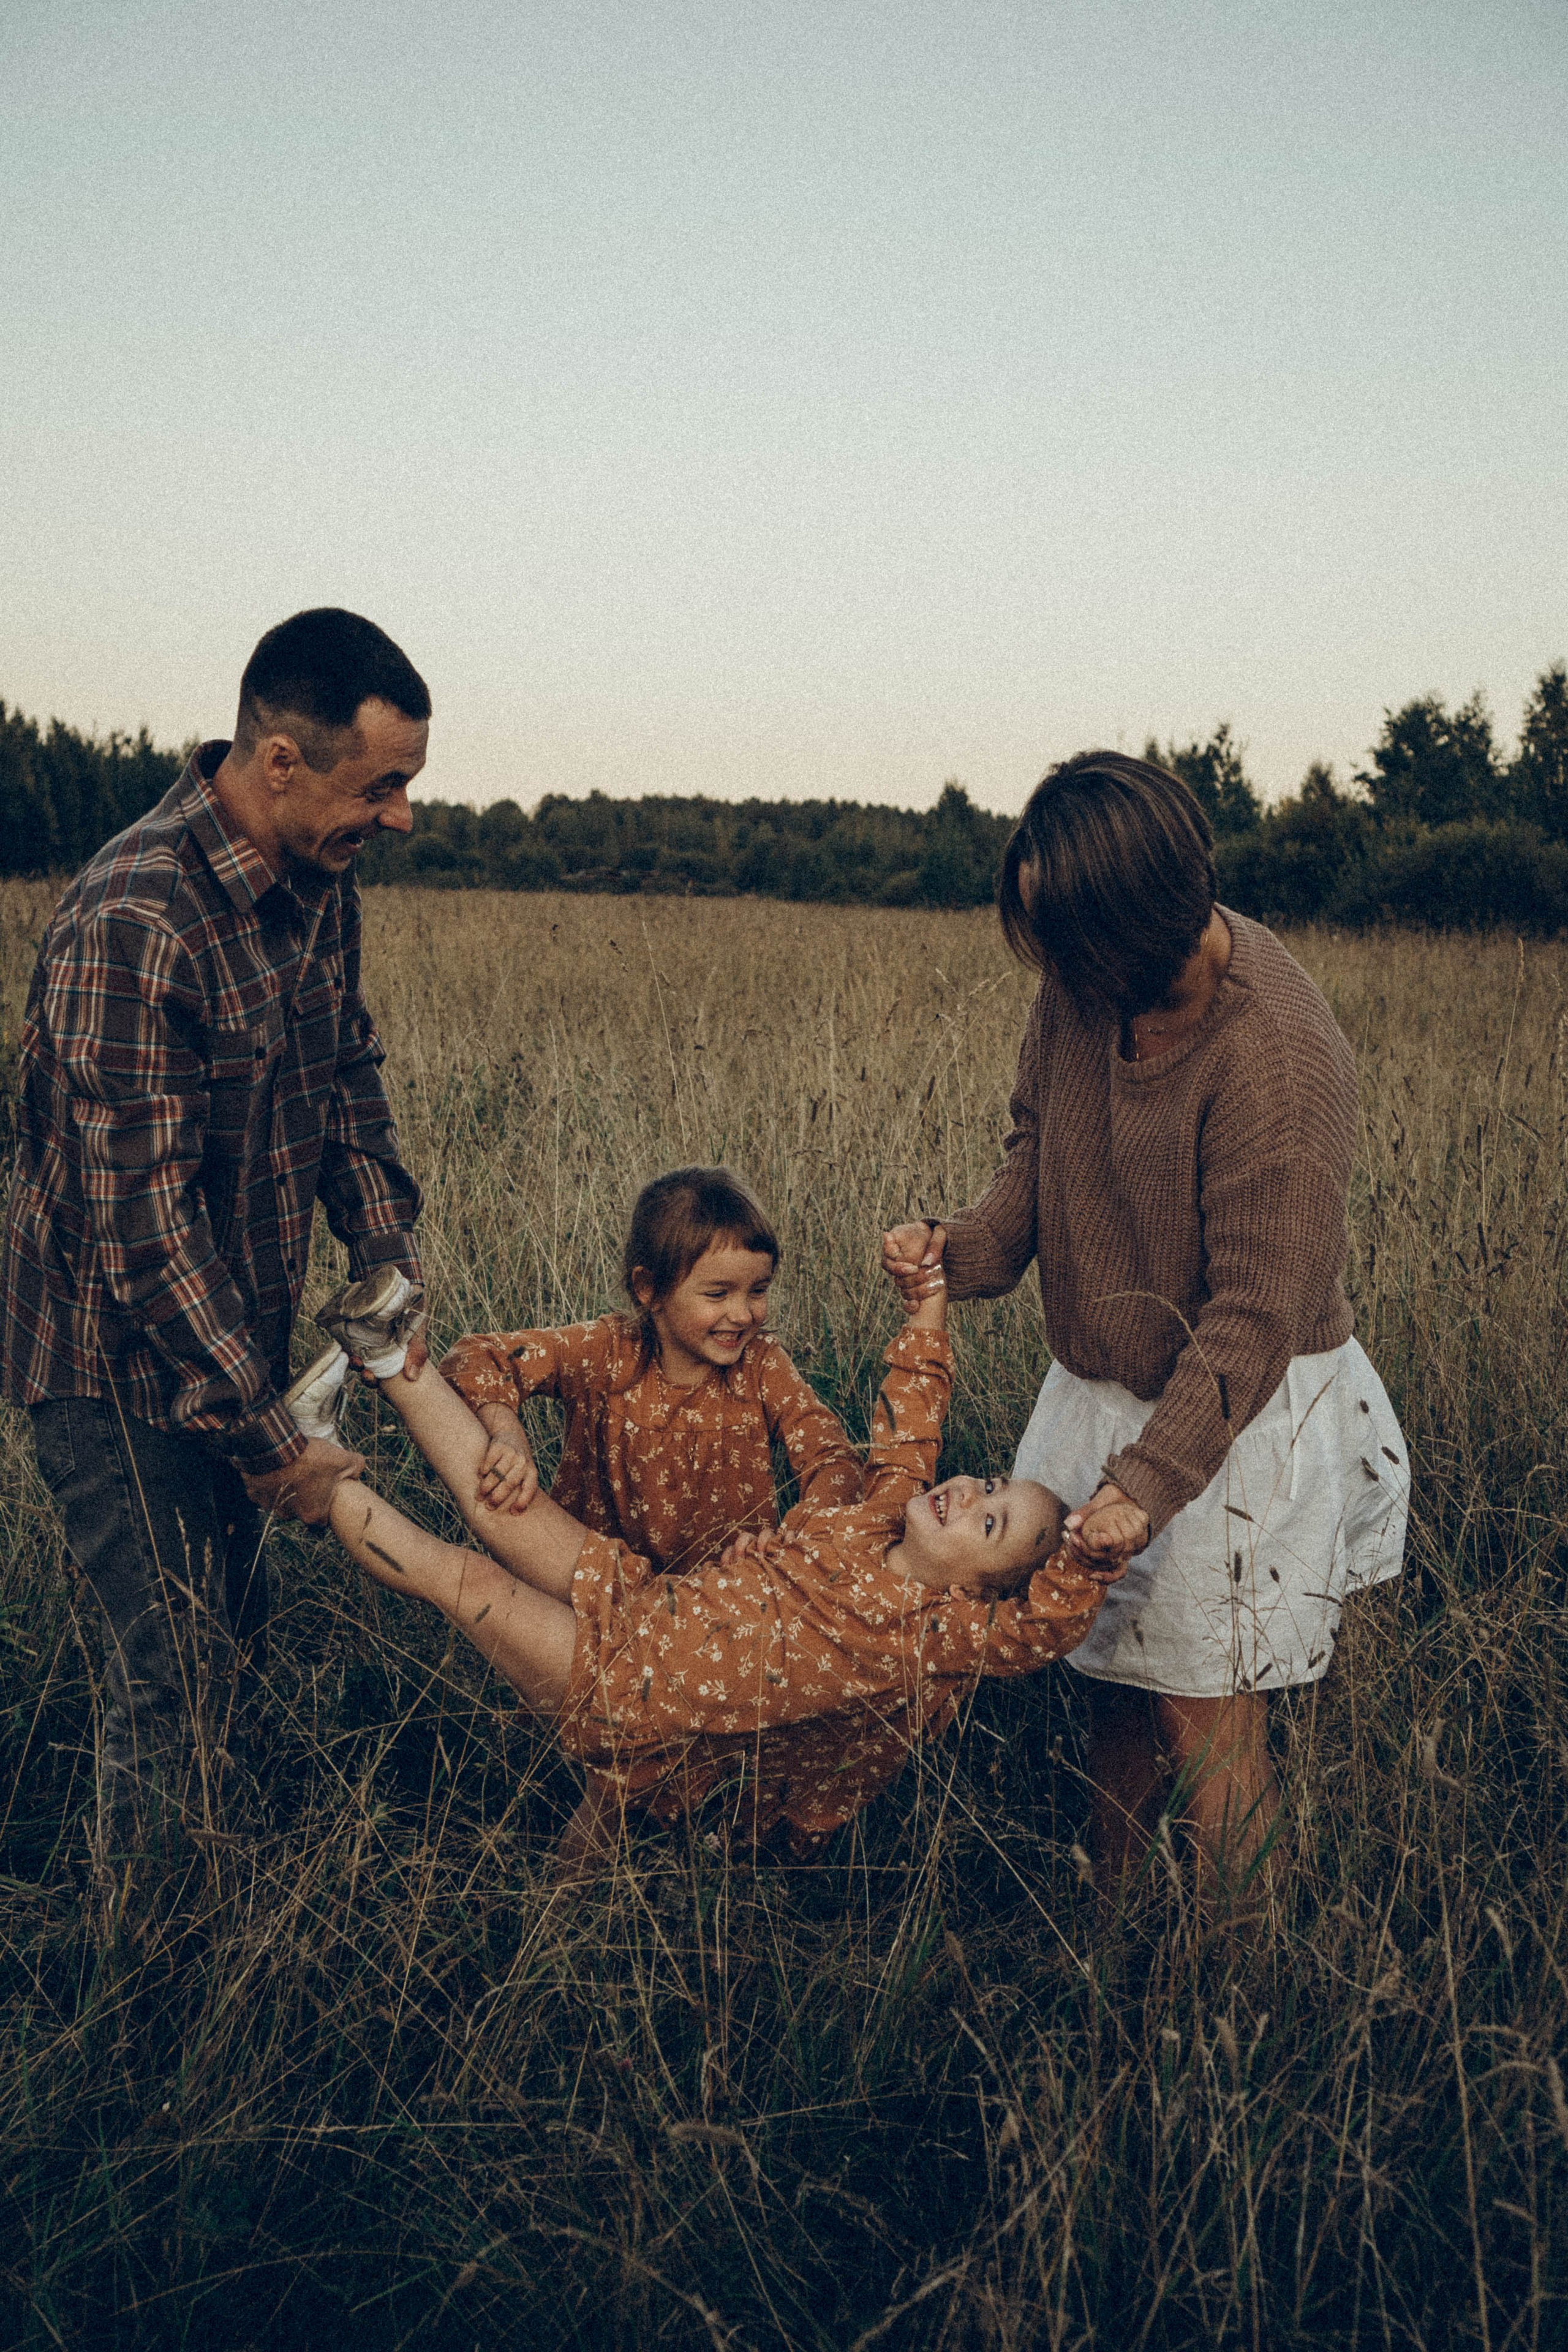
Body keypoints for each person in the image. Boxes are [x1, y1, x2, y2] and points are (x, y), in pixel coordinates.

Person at [883, 750, 1408, 1899]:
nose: (1050, 966)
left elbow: (1254, 1315)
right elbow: (1040, 1151)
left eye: (1065, 939)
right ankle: (1112, 1931)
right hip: (1104, 1393)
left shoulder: (1276, 1057)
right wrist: (958, 1249)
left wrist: (1147, 1481)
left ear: (1138, 920)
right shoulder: (1089, 980)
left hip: (1234, 1420)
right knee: (1110, 1679)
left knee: (1201, 1714)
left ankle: (1239, 1975)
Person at [0, 608, 430, 1836]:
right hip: (108, 1367)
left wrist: (386, 1257)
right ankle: (147, 1952)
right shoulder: (137, 919)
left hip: (222, 1341)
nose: (401, 815)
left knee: (229, 1636)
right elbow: (143, 1231)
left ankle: (225, 1892)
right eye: (381, 784)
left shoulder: (320, 880)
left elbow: (343, 1072)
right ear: (280, 760)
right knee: (175, 1677)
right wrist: (270, 1439)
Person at [287, 1247, 1106, 1868]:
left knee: (466, 1579)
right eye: (991, 1483)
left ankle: (310, 1478)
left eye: (990, 1524)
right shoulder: (882, 1514)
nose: (969, 1495)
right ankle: (384, 1355)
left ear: (980, 1591)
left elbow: (1045, 1628)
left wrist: (1090, 1560)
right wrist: (927, 1303)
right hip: (647, 1597)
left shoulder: (936, 1632)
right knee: (509, 1507)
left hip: (634, 1686)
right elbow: (913, 1417)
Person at [438, 1164, 861, 1557]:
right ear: (649, 1289)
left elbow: (834, 1458)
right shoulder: (606, 1351)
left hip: (724, 1598)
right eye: (718, 1294)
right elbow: (474, 1357)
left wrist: (794, 1537)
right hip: (596, 1589)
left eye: (758, 1290)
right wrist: (506, 1431)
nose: (743, 1314)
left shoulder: (761, 1365)